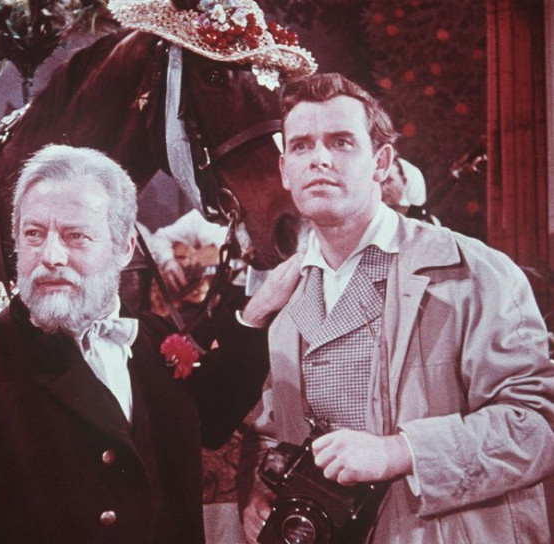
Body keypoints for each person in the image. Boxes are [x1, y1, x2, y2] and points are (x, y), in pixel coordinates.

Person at [0, 144, 297, 543]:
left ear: (124, 248)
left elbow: (211, 417)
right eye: (34, 234)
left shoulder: (150, 338)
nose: (51, 255)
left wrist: (258, 310)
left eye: (76, 236)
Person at [237, 73, 554, 543]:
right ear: (285, 170)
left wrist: (401, 452)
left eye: (341, 142)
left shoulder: (472, 272)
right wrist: (261, 492)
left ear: (381, 162)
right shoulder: (284, 295)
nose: (319, 159)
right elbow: (268, 428)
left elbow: (537, 426)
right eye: (302, 146)